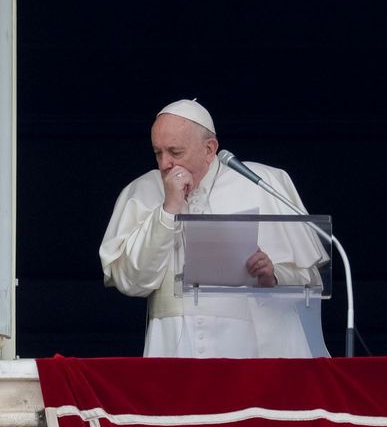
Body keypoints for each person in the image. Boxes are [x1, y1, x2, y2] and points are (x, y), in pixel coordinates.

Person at [99, 99, 328, 358]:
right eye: (157, 152)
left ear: (209, 149)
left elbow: (310, 278)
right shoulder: (140, 192)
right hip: (174, 347)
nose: (164, 164)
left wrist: (272, 276)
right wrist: (167, 210)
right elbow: (133, 281)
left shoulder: (261, 184)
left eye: (175, 152)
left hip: (253, 348)